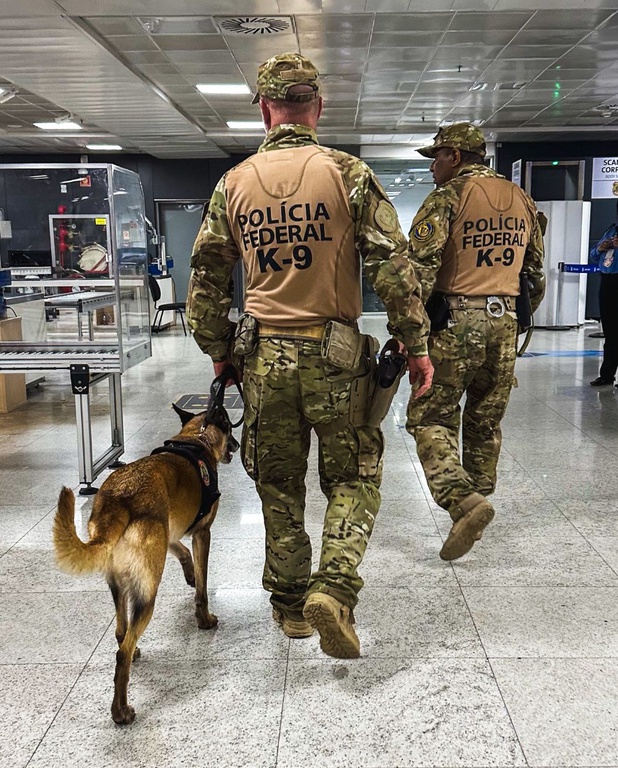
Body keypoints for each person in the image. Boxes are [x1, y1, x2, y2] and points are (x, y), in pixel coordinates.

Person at [187, 52, 433, 659]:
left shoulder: (234, 183)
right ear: (318, 108)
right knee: (353, 475)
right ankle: (336, 587)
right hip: (338, 359)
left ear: (266, 110)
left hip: (263, 361)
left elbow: (204, 281)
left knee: (278, 483)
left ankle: (292, 605)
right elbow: (392, 269)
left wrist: (220, 352)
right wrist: (416, 345)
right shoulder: (348, 173)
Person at [405, 123, 545, 561]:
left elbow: (419, 272)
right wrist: (518, 317)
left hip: (455, 321)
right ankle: (477, 507)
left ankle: (464, 502)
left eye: (436, 156)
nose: (432, 166)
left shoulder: (447, 198)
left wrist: (409, 332)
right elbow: (534, 273)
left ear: (455, 156)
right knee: (485, 421)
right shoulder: (521, 199)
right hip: (505, 323)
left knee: (430, 417)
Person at [589, 201, 618, 387]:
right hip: (607, 282)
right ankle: (607, 374)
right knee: (610, 331)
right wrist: (601, 248)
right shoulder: (611, 230)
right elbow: (593, 255)